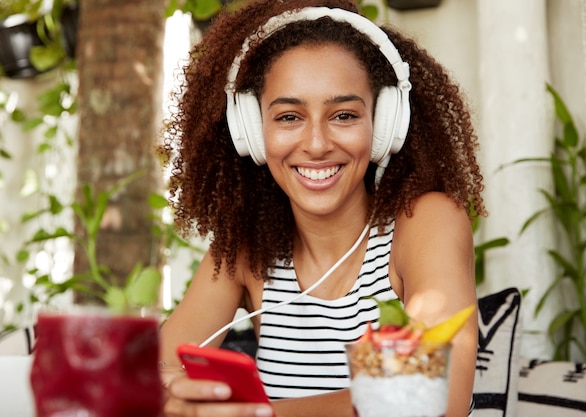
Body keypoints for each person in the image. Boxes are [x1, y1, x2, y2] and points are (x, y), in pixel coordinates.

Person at [159, 0, 485, 416]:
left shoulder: (424, 223)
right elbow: (158, 370)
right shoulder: (249, 247)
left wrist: (260, 414)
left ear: (384, 125)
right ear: (251, 133)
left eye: (344, 115)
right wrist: (173, 397)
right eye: (289, 117)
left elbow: (431, 398)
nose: (316, 144)